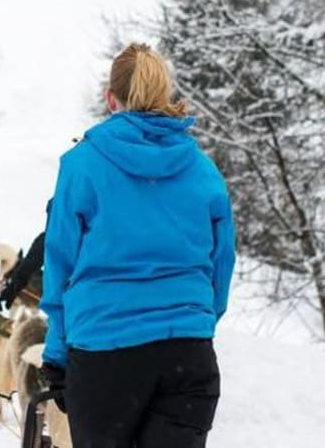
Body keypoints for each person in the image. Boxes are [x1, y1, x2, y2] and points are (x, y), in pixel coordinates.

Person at [39, 43, 236, 448]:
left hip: (105, 353)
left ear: (112, 98)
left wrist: (57, 354)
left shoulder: (81, 164)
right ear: (165, 95)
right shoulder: (202, 170)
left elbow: (60, 264)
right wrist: (194, 322)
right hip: (187, 356)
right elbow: (221, 262)